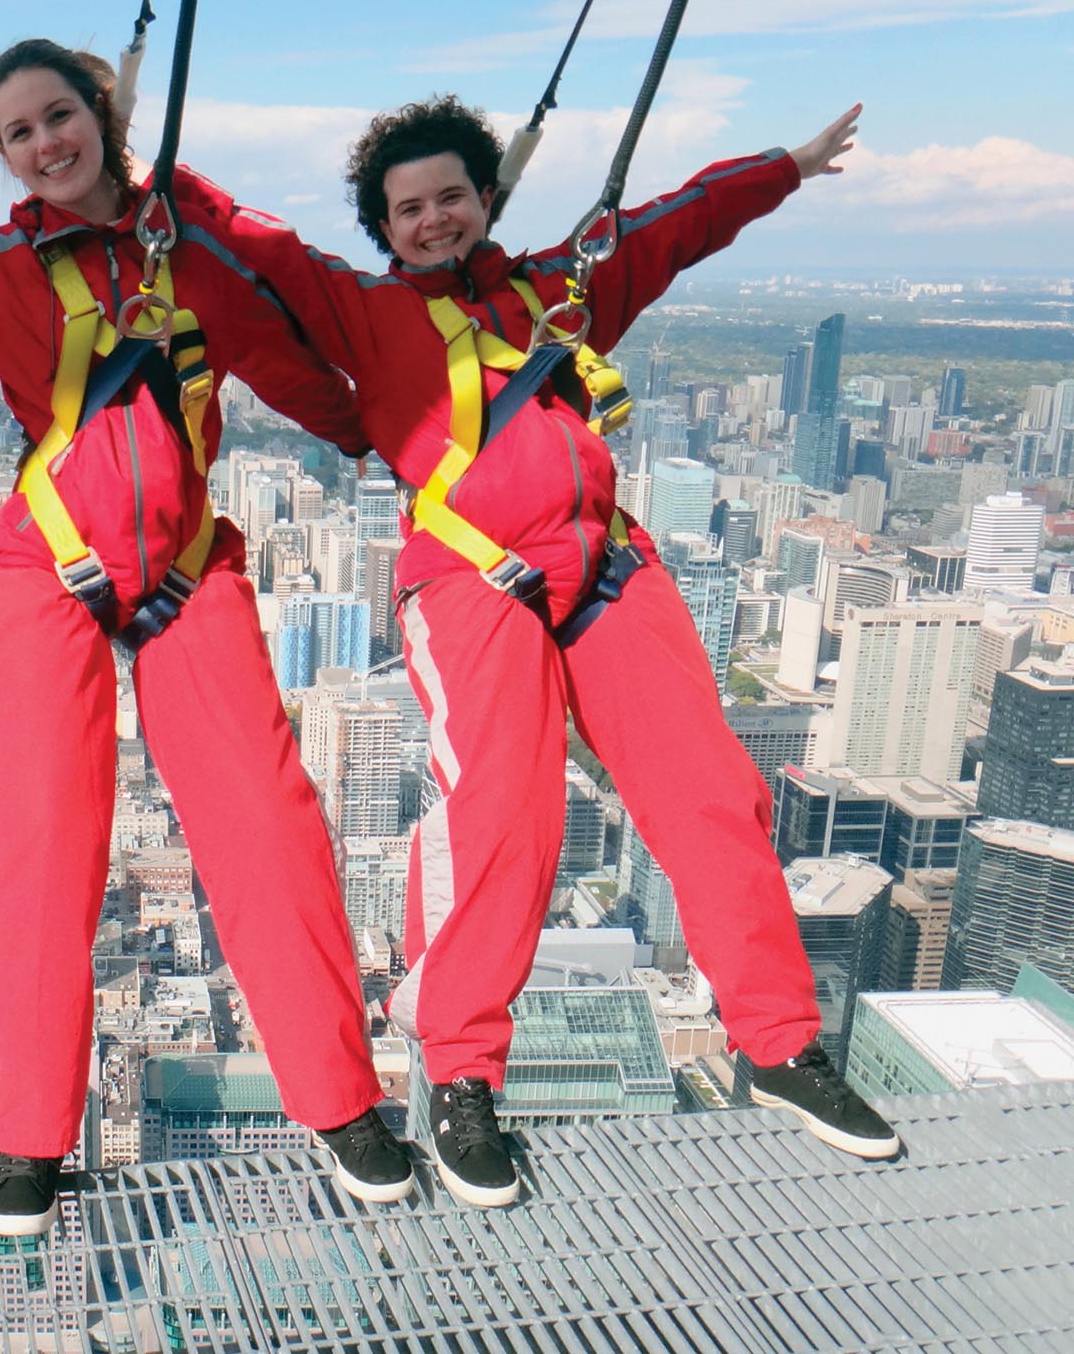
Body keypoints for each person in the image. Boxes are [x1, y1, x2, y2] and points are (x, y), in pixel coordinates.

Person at [0, 39, 413, 1235]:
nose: (45, 143)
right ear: (1, 154)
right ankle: (32, 1139)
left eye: (60, 116)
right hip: (46, 565)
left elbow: (305, 362)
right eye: (17, 132)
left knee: (267, 823)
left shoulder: (200, 257)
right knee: (35, 840)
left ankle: (340, 1101)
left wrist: (400, 448)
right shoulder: (1, 269)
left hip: (189, 567)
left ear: (104, 116)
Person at [207, 95, 901, 1208]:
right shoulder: (363, 313)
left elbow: (672, 226)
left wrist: (784, 164)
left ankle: (777, 1045)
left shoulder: (555, 293)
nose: (431, 220)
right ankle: (460, 1075)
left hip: (607, 567)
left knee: (710, 794)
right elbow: (260, 253)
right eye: (407, 209)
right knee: (504, 818)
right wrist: (145, 179)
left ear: (485, 198)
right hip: (472, 577)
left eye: (448, 198)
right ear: (381, 229)